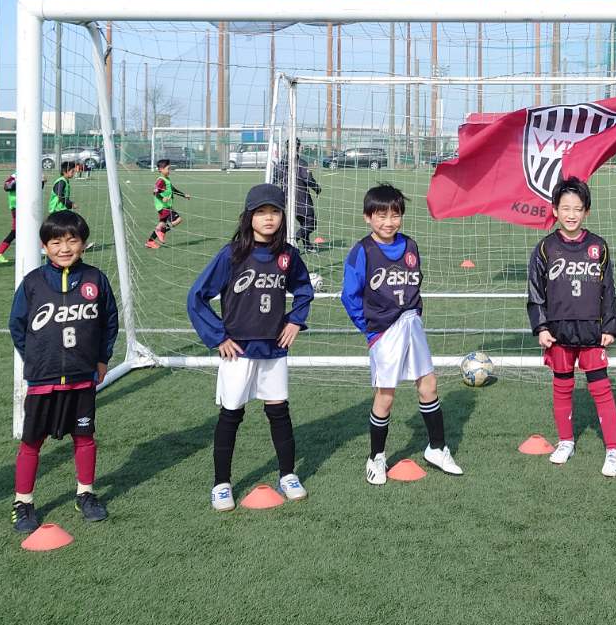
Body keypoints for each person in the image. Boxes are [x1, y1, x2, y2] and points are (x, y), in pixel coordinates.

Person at [188, 185, 315, 509]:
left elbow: (304, 290)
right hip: (238, 350)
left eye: (274, 211)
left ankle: (288, 474)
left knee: (279, 412)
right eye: (261, 212)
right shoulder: (232, 254)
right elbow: (196, 297)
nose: (268, 218)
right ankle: (221, 483)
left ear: (283, 216)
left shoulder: (288, 255)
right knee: (231, 415)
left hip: (274, 347)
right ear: (249, 217)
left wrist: (295, 321)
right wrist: (218, 336)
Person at [340, 183, 463, 484]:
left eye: (394, 215)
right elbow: (349, 295)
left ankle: (437, 448)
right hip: (383, 332)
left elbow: (414, 284)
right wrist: (370, 329)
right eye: (381, 215)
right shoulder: (362, 251)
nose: (388, 222)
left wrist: (415, 316)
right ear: (367, 217)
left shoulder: (410, 246)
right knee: (386, 395)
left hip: (411, 323)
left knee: (429, 385)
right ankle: (376, 457)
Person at [7, 210, 118, 530]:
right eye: (56, 242)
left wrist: (102, 358)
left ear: (83, 243)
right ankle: (23, 502)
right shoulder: (33, 283)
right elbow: (17, 325)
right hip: (43, 379)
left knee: (84, 437)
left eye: (72, 240)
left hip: (82, 377)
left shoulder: (95, 279)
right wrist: (36, 358)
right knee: (32, 442)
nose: (65, 248)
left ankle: (85, 493)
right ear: (44, 247)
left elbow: (109, 321)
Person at [527, 177, 616, 477]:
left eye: (578, 209)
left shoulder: (598, 246)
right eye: (565, 208)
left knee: (601, 388)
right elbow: (535, 291)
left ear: (587, 212)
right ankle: (566, 441)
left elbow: (608, 289)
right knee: (562, 386)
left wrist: (609, 326)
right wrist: (541, 327)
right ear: (555, 210)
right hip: (558, 331)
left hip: (592, 331)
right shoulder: (545, 248)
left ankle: (613, 449)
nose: (571, 215)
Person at [273, 141, 321, 249]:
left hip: (287, 198)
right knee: (311, 223)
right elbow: (308, 179)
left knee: (303, 222)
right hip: (301, 197)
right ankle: (294, 238)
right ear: (298, 148)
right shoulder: (300, 162)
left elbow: (275, 179)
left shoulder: (281, 163)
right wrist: (317, 188)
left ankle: (307, 245)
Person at [144, 159, 191, 250]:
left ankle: (150, 242)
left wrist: (184, 195)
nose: (169, 170)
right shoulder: (161, 180)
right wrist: (162, 198)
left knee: (161, 223)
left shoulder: (167, 179)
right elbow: (155, 192)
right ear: (161, 169)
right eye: (168, 169)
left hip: (165, 206)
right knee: (178, 220)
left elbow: (173, 190)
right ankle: (162, 231)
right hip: (163, 206)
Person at [0, 173, 18, 263]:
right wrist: (19, 183)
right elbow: (6, 187)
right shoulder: (15, 176)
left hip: (23, 207)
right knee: (16, 231)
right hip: (17, 207)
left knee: (16, 231)